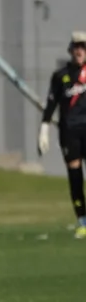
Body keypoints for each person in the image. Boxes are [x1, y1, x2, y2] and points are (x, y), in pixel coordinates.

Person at [38, 31, 86, 239]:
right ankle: (82, 221)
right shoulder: (61, 76)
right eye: (76, 47)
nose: (79, 51)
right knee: (75, 178)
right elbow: (51, 104)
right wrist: (44, 129)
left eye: (83, 47)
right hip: (69, 132)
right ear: (70, 49)